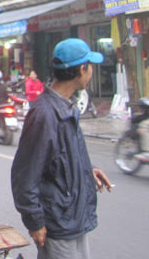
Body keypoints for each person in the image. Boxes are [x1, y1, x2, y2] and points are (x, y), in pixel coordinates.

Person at [11, 38, 112, 259]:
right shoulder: (45, 114)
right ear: (82, 70)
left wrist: (87, 170)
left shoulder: (67, 107)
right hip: (58, 224)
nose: (92, 71)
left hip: (74, 219)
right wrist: (35, 222)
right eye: (90, 66)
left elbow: (60, 157)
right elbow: (25, 176)